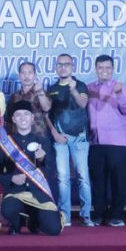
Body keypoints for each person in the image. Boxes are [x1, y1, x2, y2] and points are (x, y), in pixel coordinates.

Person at [0, 100, 63, 235]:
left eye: (26, 114)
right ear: (13, 119)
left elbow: (51, 171)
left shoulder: (43, 141)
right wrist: (11, 178)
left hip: (39, 193)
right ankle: (16, 223)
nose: (23, 118)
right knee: (8, 209)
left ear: (32, 118)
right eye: (19, 115)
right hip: (16, 193)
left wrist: (42, 160)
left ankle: (32, 221)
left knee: (54, 229)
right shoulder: (5, 143)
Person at [86, 54, 126, 227]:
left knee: (118, 181)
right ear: (96, 69)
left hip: (117, 142)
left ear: (113, 69)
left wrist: (119, 93)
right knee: (98, 181)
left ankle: (116, 215)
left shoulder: (119, 87)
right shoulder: (88, 88)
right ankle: (99, 214)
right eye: (101, 67)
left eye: (107, 68)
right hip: (95, 142)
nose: (104, 71)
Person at [47, 53, 93, 227]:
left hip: (80, 138)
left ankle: (86, 215)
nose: (63, 67)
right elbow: (46, 115)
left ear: (72, 67)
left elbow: (83, 103)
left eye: (66, 64)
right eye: (60, 64)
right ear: (56, 67)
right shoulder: (52, 88)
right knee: (63, 178)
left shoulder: (80, 85)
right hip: (60, 139)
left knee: (83, 177)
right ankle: (65, 216)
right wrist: (54, 133)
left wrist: (73, 90)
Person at [9, 61, 52, 135]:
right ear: (19, 76)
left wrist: (40, 93)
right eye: (23, 73)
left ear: (35, 75)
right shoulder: (14, 96)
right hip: (18, 137)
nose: (26, 76)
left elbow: (47, 108)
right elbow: (10, 118)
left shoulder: (42, 93)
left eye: (30, 72)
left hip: (39, 135)